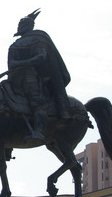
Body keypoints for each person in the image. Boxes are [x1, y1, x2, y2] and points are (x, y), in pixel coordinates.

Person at [7, 9, 71, 142]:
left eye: (23, 23)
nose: (20, 26)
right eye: (19, 23)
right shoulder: (14, 45)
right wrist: (20, 65)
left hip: (32, 76)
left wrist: (23, 64)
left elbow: (41, 57)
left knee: (36, 101)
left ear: (29, 25)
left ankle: (39, 130)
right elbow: (11, 63)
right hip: (14, 77)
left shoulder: (38, 39)